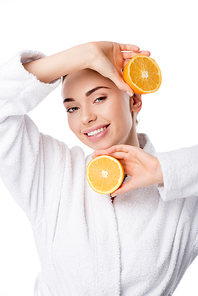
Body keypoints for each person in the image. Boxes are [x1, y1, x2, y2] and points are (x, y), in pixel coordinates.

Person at [0, 41, 198, 296]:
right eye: (72, 108)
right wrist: (86, 54)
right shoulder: (51, 172)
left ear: (135, 100)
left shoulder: (183, 199)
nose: (85, 118)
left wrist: (164, 171)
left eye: (99, 98)